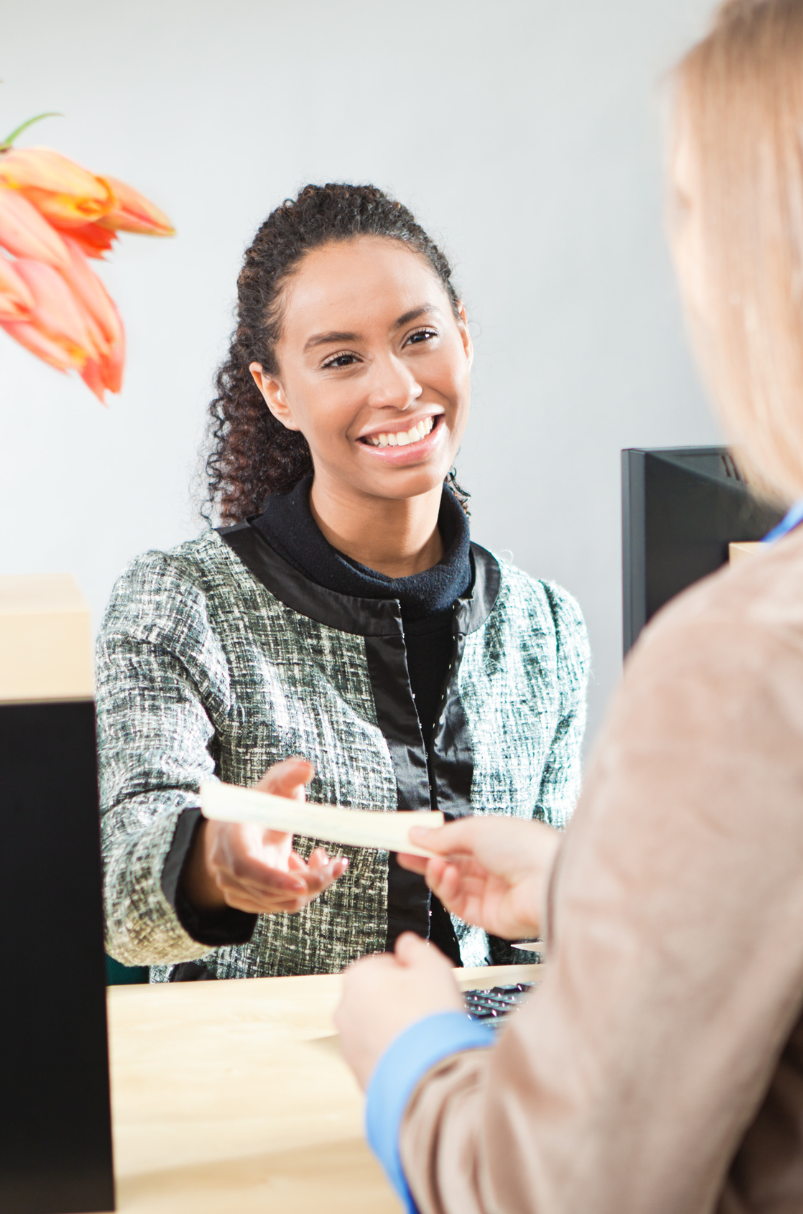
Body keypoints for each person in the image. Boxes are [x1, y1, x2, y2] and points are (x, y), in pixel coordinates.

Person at [334, 0, 803, 1210]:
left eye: (691, 216)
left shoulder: (764, 660)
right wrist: (596, 877)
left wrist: (411, 1049)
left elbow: (559, 1187)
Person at [97, 184, 590, 981]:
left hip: (479, 1085)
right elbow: (123, 896)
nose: (396, 388)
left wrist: (571, 895)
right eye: (340, 359)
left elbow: (550, 941)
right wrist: (213, 864)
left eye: (420, 336)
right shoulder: (182, 604)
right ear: (277, 391)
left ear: (463, 338)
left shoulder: (547, 626)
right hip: (261, 1092)